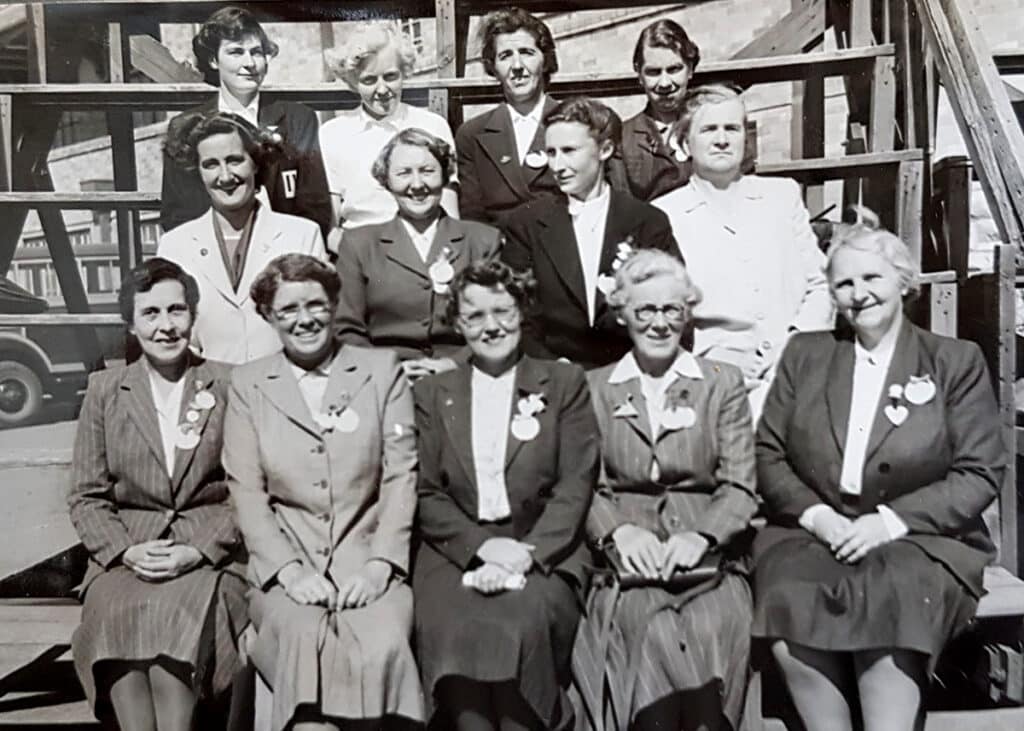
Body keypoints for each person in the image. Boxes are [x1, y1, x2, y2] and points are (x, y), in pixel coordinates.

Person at [754, 223, 1005, 731]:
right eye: (844, 284)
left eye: (872, 277)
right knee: (790, 590)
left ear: (904, 281)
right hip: (816, 530)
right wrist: (819, 517)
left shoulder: (953, 361)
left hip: (921, 536)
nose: (858, 293)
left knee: (894, 590)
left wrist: (889, 522)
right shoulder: (806, 355)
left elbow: (979, 472)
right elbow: (768, 453)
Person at [223, 254, 423, 731]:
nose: (304, 319)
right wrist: (289, 571)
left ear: (334, 306)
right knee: (298, 637)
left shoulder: (380, 372)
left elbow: (401, 475)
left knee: (383, 641)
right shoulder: (250, 384)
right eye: (288, 309)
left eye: (315, 304)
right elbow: (246, 492)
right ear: (269, 316)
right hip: (286, 568)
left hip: (368, 561)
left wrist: (380, 567)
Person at [571, 250, 757, 731]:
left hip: (708, 561)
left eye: (671, 310)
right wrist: (618, 535)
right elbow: (583, 483)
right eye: (645, 311)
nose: (659, 324)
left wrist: (701, 538)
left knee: (706, 626)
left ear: (687, 312)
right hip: (628, 566)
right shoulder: (593, 388)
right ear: (623, 315)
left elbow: (740, 484)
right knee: (647, 627)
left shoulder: (721, 384)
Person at [413, 260, 598, 731]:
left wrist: (525, 554)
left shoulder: (562, 383)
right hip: (454, 551)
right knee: (454, 626)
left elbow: (575, 483)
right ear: (457, 323)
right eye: (475, 316)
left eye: (503, 311)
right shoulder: (434, 391)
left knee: (517, 624)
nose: (491, 326)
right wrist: (481, 548)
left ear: (523, 312)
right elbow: (426, 490)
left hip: (541, 547)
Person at [68, 258, 247, 730]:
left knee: (176, 620)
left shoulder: (228, 384)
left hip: (209, 556)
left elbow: (249, 490)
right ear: (131, 324)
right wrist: (126, 551)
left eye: (176, 311)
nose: (166, 326)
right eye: (150, 314)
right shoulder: (105, 391)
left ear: (193, 315)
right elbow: (86, 495)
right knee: (115, 614)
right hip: (129, 551)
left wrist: (196, 550)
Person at [652, 84, 832, 420]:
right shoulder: (665, 215)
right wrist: (710, 357)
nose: (722, 140)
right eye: (709, 129)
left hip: (795, 368)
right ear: (683, 142)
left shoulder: (782, 196)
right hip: (715, 381)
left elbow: (819, 284)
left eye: (732, 128)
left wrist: (795, 345)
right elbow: (657, 313)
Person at [502, 96, 678, 370]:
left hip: (633, 371)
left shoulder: (646, 222)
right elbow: (515, 312)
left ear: (605, 149)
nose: (557, 166)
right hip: (554, 376)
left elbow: (670, 303)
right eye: (551, 152)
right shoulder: (527, 223)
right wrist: (555, 369)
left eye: (569, 150)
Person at [159, 111, 327, 365]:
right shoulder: (174, 246)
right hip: (208, 393)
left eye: (235, 160)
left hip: (286, 389)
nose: (225, 176)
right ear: (198, 172)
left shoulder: (302, 235)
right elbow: (175, 335)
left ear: (255, 162)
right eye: (211, 164)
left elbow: (317, 325)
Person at [335, 128, 503, 380]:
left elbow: (499, 318)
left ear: (445, 176)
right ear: (386, 181)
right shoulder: (359, 244)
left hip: (465, 375)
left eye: (427, 171)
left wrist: (454, 364)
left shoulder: (482, 240)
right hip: (385, 380)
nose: (417, 185)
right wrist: (389, 370)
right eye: (404, 173)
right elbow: (345, 328)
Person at [161, 6, 331, 237]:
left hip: (284, 251)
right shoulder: (187, 126)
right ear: (213, 59)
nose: (250, 62)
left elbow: (315, 203)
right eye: (236, 52)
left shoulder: (298, 120)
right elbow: (177, 213)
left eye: (257, 52)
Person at [320, 21, 458, 248]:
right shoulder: (332, 134)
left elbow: (450, 214)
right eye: (369, 80)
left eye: (391, 76)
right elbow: (332, 227)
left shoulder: (432, 125)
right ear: (353, 82)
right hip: (360, 251)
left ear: (405, 72)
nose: (382, 90)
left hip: (425, 246)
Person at [456, 8, 561, 225]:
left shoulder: (575, 122)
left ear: (545, 61)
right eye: (505, 56)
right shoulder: (472, 135)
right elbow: (473, 219)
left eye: (526, 53)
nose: (517, 67)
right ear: (493, 67)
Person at [610, 19, 700, 202]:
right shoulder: (622, 138)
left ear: (690, 69)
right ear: (639, 74)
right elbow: (622, 208)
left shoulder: (716, 124)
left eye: (674, 69)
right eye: (653, 72)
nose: (665, 83)